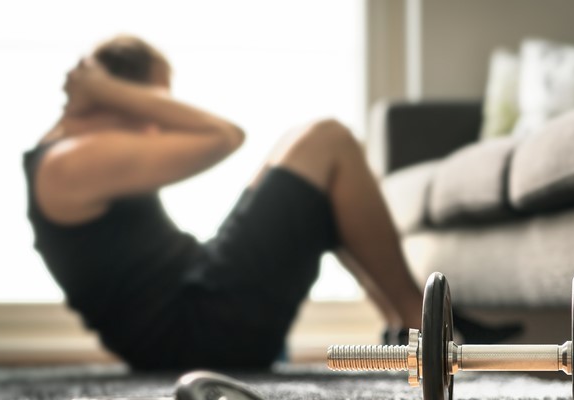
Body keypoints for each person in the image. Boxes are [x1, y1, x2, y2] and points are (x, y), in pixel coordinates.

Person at [24, 35, 427, 371]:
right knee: (328, 139)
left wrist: (113, 94)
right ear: (125, 97)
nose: (158, 122)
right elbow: (225, 136)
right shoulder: (70, 162)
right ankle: (424, 330)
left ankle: (400, 327)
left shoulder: (62, 158)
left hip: (198, 314)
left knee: (304, 171)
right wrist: (108, 91)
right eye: (156, 101)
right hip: (201, 337)